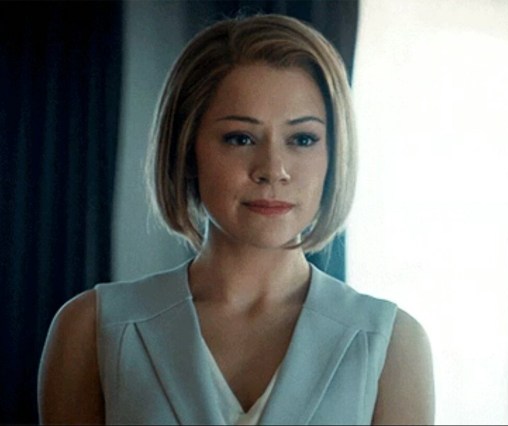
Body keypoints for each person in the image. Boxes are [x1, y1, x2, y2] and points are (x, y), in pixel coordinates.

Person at [37, 13, 434, 425]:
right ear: (187, 149)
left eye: (302, 139)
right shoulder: (92, 328)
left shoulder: (391, 344)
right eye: (240, 138)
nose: (273, 169)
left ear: (334, 154)